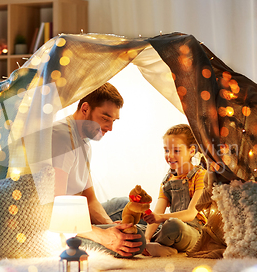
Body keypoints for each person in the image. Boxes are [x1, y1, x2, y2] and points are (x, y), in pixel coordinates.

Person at [51, 82, 145, 257]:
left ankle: (156, 233)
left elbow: (90, 198)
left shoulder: (84, 142)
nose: (110, 128)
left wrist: (112, 227)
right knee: (136, 240)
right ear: (85, 109)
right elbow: (54, 209)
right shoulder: (61, 138)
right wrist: (103, 236)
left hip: (78, 214)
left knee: (128, 206)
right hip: (59, 224)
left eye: (113, 121)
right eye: (105, 118)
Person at [142, 124, 207, 256]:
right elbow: (158, 212)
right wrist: (146, 237)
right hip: (170, 227)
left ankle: (155, 245)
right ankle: (151, 245)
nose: (169, 156)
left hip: (193, 232)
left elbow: (190, 214)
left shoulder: (201, 175)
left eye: (176, 151)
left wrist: (160, 218)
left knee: (173, 226)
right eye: (166, 150)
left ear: (191, 151)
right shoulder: (167, 180)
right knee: (135, 229)